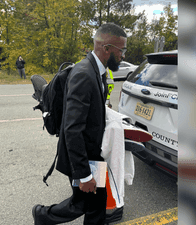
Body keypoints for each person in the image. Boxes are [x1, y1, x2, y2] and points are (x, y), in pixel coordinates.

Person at [32, 23, 127, 225]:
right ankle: (42, 214)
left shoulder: (96, 70)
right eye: (122, 50)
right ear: (107, 48)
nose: (124, 56)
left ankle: (42, 215)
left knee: (93, 203)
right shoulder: (85, 74)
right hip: (84, 157)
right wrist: (83, 175)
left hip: (92, 154)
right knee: (86, 203)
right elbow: (72, 128)